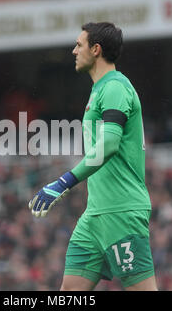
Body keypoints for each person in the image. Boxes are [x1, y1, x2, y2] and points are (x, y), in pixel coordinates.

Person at [28, 22, 157, 291]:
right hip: (94, 216)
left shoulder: (115, 87)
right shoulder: (99, 89)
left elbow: (109, 144)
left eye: (79, 44)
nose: (74, 51)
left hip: (121, 211)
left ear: (96, 49)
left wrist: (63, 182)